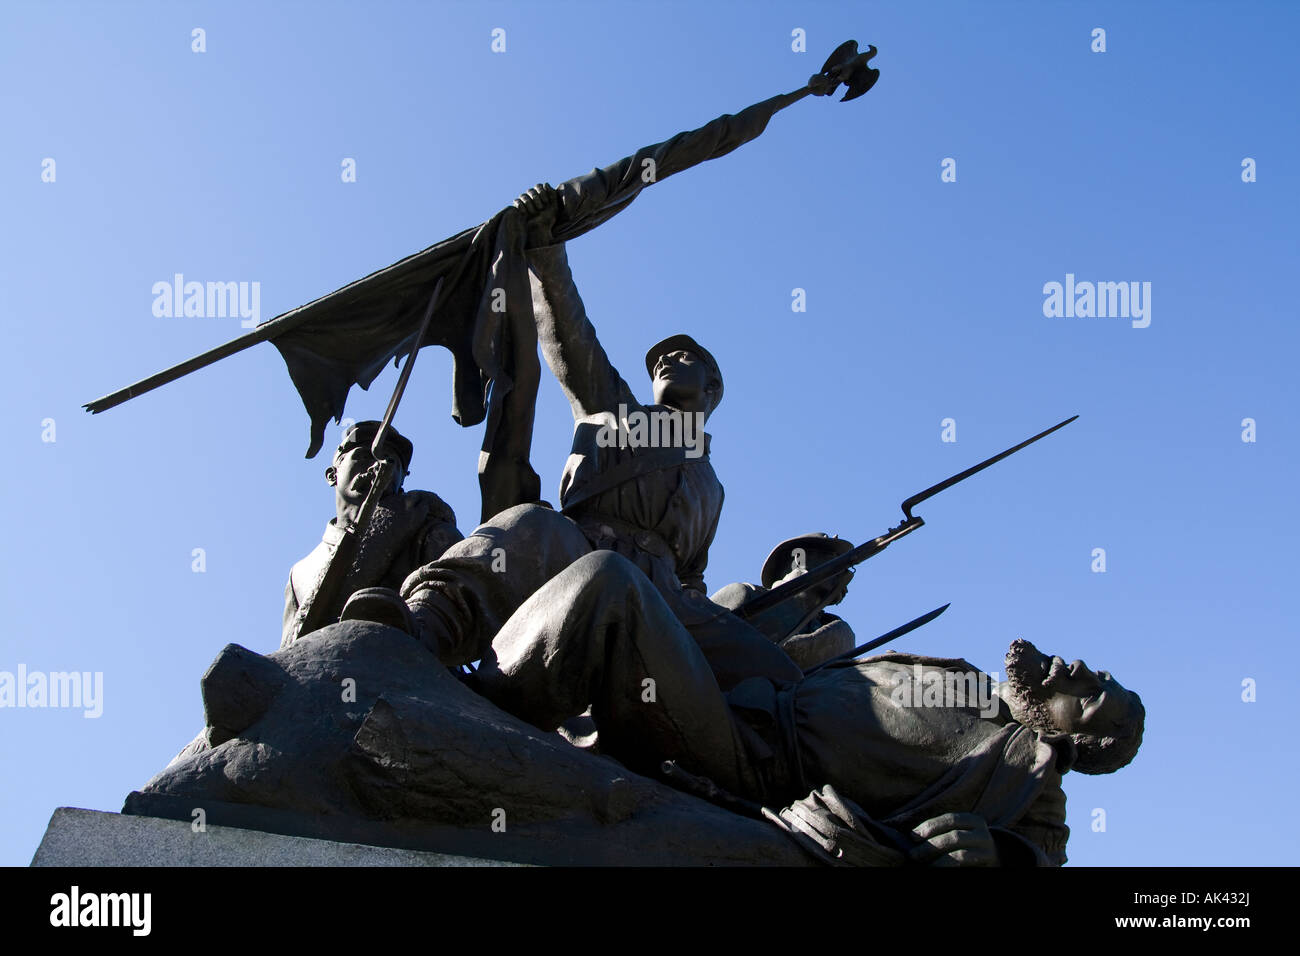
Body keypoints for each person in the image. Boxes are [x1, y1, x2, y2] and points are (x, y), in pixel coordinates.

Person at [343, 185, 803, 688]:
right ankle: (426, 624)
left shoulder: (712, 489)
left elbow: (693, 574)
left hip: (666, 599)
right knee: (527, 530)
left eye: (683, 357)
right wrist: (546, 246)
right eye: (659, 362)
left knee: (768, 667)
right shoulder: (617, 409)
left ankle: (779, 732)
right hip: (578, 550)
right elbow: (569, 332)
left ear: (712, 386)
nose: (666, 361)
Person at [476, 550, 1145, 866]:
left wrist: (995, 854)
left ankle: (466, 709)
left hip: (758, 755)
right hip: (770, 685)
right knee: (580, 546)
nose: (1080, 670)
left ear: (1076, 741)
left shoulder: (1036, 783)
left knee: (610, 588)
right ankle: (432, 619)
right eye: (1098, 674)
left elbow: (1042, 858)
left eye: (1090, 699)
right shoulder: (973, 682)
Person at [281, 421, 462, 648]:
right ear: (332, 475)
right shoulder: (299, 573)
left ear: (402, 481)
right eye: (365, 456)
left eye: (391, 461)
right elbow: (287, 655)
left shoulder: (426, 531)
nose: (378, 466)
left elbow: (455, 600)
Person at [711, 532, 857, 670]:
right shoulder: (746, 594)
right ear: (800, 559)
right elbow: (697, 646)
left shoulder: (833, 631)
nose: (845, 572)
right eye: (834, 559)